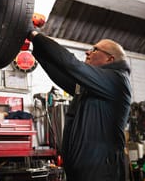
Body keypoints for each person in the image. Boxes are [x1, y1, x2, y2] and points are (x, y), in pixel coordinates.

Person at [27, 30, 131, 181]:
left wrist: (35, 35)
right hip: (81, 171)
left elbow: (72, 64)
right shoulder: (89, 86)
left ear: (110, 58)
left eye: (95, 49)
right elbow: (62, 75)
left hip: (101, 172)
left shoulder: (116, 80)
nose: (88, 52)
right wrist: (38, 51)